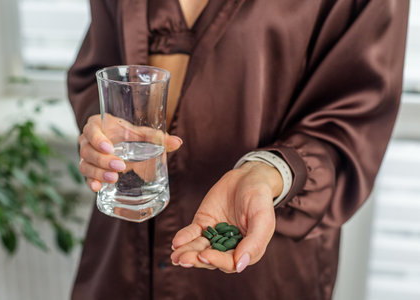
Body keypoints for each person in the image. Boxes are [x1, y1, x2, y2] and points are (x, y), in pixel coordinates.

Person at [67, 0, 409, 299]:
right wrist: (102, 131)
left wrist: (267, 171)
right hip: (123, 252)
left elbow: (356, 117)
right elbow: (97, 72)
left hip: (261, 266)